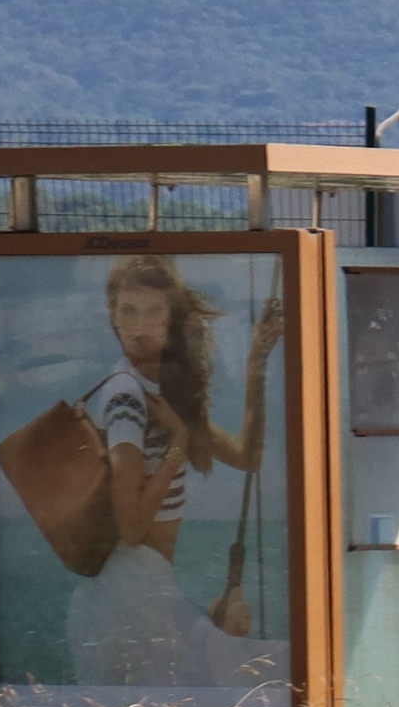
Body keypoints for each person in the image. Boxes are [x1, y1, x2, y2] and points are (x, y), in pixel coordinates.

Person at [65, 255, 281, 685]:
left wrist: (257, 362)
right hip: (125, 596)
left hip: (142, 589)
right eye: (127, 310)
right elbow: (130, 527)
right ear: (112, 316)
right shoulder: (127, 397)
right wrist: (178, 446)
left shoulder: (157, 391)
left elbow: (246, 457)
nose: (139, 326)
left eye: (153, 310)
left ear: (172, 317)